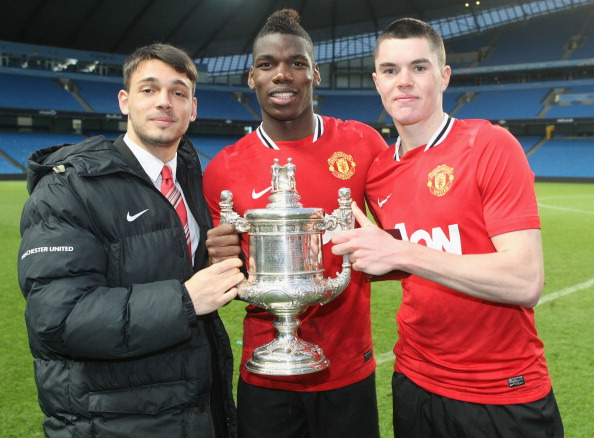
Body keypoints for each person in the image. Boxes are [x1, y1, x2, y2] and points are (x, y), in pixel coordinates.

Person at [331, 17, 564, 438]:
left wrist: (400, 252)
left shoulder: (490, 145)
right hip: (414, 382)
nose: (403, 81)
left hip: (500, 392)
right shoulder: (379, 171)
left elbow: (525, 280)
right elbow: (402, 261)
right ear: (377, 82)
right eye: (390, 70)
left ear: (444, 76)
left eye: (419, 67)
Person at [17, 43, 244, 438]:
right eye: (148, 89)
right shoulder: (67, 189)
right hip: (111, 420)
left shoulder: (194, 182)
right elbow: (57, 320)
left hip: (193, 411)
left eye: (178, 92)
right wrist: (186, 300)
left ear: (193, 108)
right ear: (124, 101)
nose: (164, 102)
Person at [202, 9, 388, 438]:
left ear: (314, 74)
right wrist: (221, 261)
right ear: (252, 78)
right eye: (267, 64)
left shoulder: (362, 143)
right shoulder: (223, 170)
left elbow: (398, 243)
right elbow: (230, 276)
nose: (281, 74)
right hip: (265, 373)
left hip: (347, 369)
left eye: (296, 63)